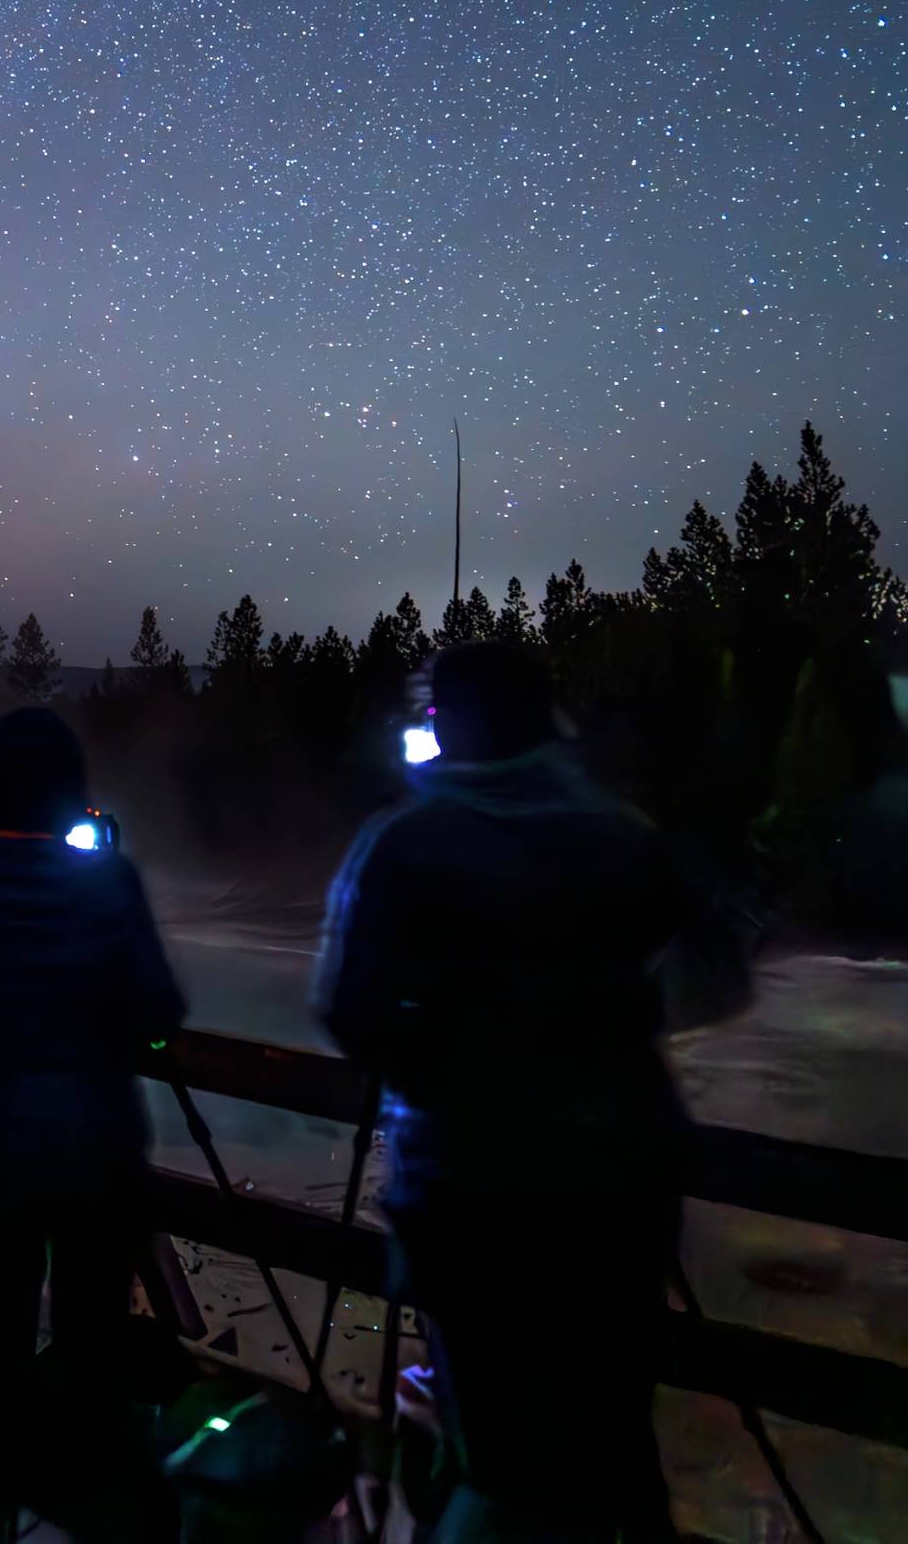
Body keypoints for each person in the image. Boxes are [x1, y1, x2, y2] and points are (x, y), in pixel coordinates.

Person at [315, 642, 755, 1543]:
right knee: (609, 1435)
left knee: (501, 1457)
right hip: (617, 1189)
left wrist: (445, 1061)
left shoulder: (403, 845)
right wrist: (606, 1024)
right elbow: (719, 976)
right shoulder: (623, 835)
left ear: (451, 723)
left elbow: (348, 1008)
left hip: (473, 1197)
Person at [0, 707, 186, 1543]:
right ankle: (96, 1517)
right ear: (74, 792)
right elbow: (160, 1010)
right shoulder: (109, 882)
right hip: (97, 1152)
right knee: (93, 1344)